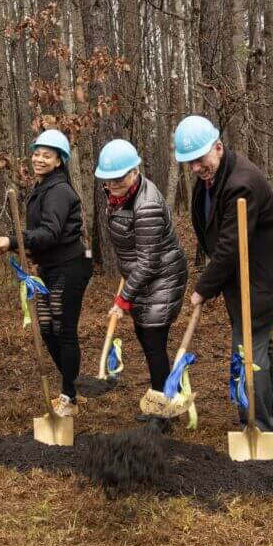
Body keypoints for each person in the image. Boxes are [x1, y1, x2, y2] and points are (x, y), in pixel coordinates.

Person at [175, 115, 273, 433]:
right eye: (189, 162)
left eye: (199, 160)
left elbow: (230, 245)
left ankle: (257, 422)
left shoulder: (242, 183)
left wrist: (203, 287)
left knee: (247, 348)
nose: (195, 168)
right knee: (259, 342)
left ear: (217, 147)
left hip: (263, 278)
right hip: (243, 275)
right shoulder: (212, 177)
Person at [0, 129, 90, 417]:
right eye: (37, 153)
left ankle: (69, 397)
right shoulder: (43, 187)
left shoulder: (59, 190)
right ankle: (71, 388)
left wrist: (14, 241)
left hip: (71, 266)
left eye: (47, 155)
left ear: (60, 161)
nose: (39, 159)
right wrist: (30, 254)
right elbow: (45, 235)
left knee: (64, 330)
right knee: (48, 329)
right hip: (51, 267)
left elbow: (50, 232)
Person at [96, 139, 188, 433]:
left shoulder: (146, 204)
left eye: (119, 179)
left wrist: (124, 300)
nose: (113, 185)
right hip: (143, 275)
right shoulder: (117, 195)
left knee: (153, 339)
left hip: (163, 276)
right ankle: (164, 399)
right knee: (146, 336)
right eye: (108, 180)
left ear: (135, 172)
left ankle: (163, 413)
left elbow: (148, 261)